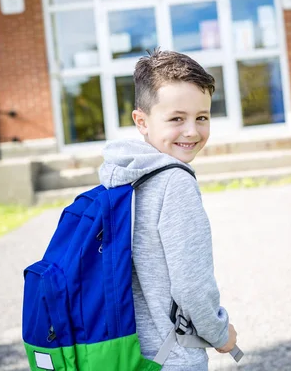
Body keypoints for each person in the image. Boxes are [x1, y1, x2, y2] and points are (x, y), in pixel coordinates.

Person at [98, 48, 237, 371]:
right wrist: (219, 333)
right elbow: (191, 284)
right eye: (177, 118)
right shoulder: (174, 183)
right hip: (171, 356)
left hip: (127, 353)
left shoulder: (122, 177)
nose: (192, 130)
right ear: (141, 121)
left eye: (202, 117)